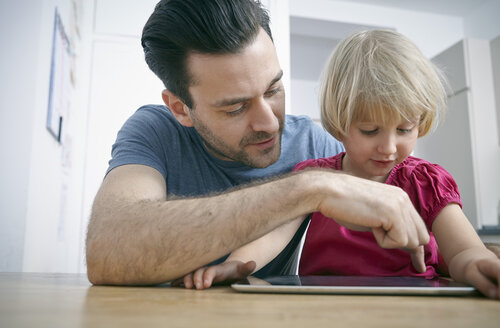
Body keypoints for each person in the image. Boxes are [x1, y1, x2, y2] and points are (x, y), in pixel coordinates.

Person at [85, 1, 430, 286]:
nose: (268, 122)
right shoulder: (155, 133)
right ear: (181, 109)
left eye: (273, 90)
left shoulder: (321, 147)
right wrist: (307, 189)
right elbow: (108, 250)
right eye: (235, 107)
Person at [179, 29, 500, 300]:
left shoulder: (426, 181)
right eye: (370, 130)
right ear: (339, 124)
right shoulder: (315, 179)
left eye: (404, 129)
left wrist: (477, 264)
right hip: (323, 304)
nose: (388, 147)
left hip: (411, 305)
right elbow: (273, 234)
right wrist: (237, 263)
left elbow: (462, 251)